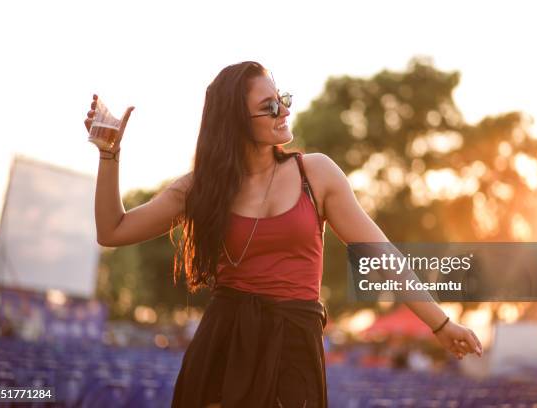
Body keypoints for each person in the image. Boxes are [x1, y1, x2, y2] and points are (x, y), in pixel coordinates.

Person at [84, 61, 483, 408]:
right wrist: (109, 155)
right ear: (237, 122)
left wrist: (441, 324)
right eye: (269, 106)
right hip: (226, 338)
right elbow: (113, 230)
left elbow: (381, 255)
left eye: (283, 98)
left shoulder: (317, 173)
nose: (284, 110)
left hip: (294, 340)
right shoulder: (200, 188)